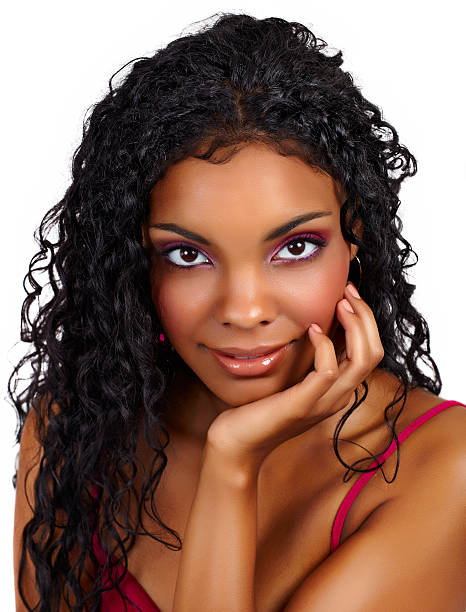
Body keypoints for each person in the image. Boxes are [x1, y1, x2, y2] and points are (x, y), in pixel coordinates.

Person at [11, 12, 465, 612]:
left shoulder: (443, 467)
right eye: (187, 254)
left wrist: (230, 468)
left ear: (356, 240)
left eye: (295, 247)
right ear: (136, 266)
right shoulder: (79, 427)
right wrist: (232, 459)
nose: (244, 310)